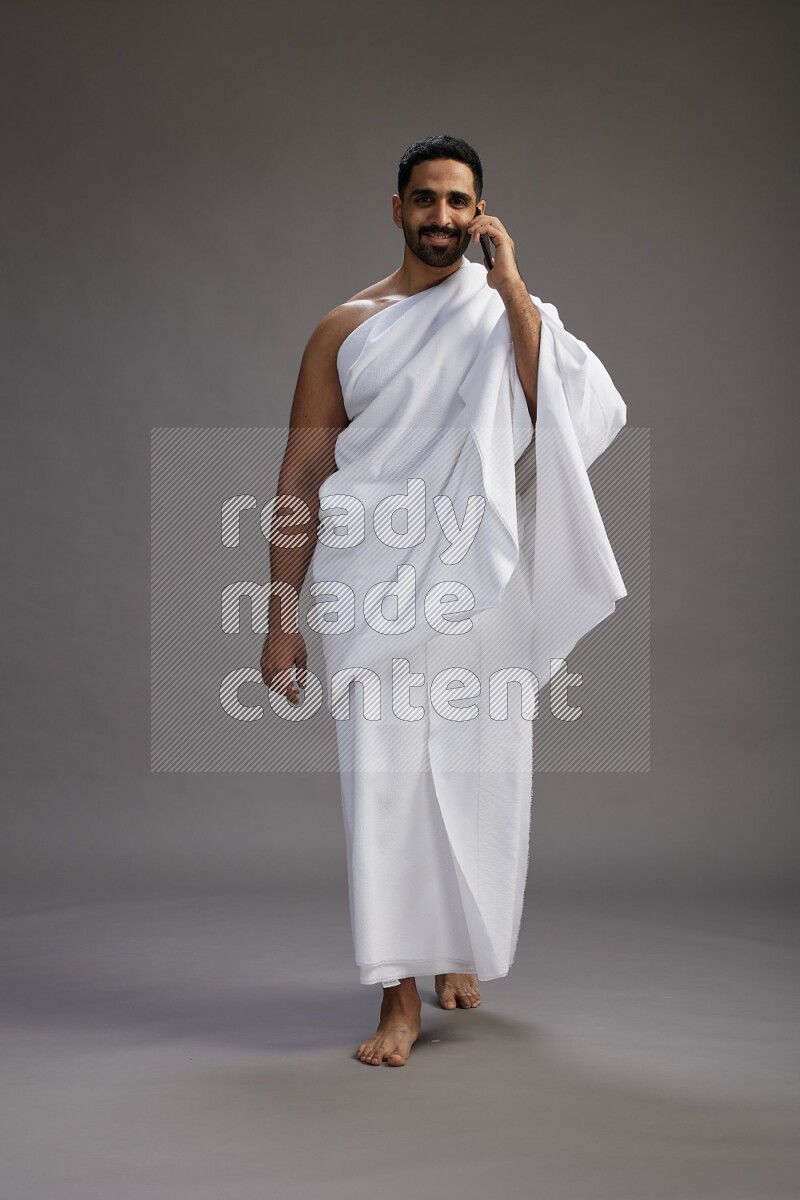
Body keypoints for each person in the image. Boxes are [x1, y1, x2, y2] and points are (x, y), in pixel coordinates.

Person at [260, 135, 627, 1067]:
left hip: (477, 583)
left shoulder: (508, 313)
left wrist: (512, 292)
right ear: (398, 209)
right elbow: (301, 475)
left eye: (458, 202)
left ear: (481, 212)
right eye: (425, 200)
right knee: (384, 782)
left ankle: (457, 942)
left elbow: (567, 416)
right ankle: (398, 992)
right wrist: (279, 617)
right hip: (368, 582)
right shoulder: (346, 328)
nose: (442, 218)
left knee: (476, 770)